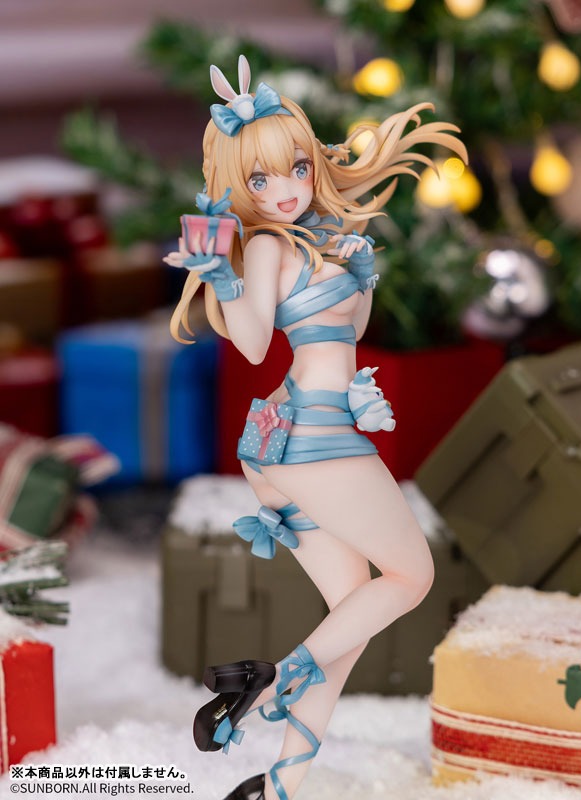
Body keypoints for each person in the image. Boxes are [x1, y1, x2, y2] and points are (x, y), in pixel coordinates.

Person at [165, 54, 467, 800]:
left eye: (296, 168)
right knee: (413, 576)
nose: (285, 190)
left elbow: (349, 333)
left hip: (292, 438)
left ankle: (281, 784)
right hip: (309, 435)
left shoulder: (323, 240)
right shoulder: (268, 245)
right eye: (260, 181)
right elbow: (254, 345)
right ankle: (268, 684)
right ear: (239, 188)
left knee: (352, 611)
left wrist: (359, 273)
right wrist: (222, 275)